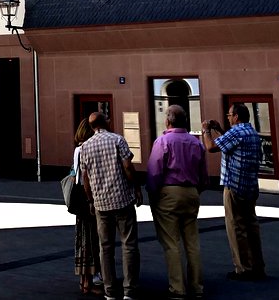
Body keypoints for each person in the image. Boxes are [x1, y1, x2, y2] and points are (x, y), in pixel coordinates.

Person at [147, 105, 207, 300]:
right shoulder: (196, 143)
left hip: (169, 193)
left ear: (167, 121)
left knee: (171, 242)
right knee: (192, 242)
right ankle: (197, 286)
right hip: (191, 192)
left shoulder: (162, 141)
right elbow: (204, 176)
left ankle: (177, 288)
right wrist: (196, 190)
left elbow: (155, 172)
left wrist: (153, 194)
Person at [79, 112, 141, 300]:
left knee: (105, 247)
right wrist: (136, 188)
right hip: (122, 199)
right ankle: (130, 290)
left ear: (92, 127)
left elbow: (85, 178)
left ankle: (110, 291)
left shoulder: (85, 147)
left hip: (101, 203)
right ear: (105, 122)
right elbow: (128, 167)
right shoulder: (118, 140)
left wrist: (91, 200)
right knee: (129, 245)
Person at [202, 103, 266, 281]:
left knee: (236, 226)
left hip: (234, 185)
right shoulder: (251, 132)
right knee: (251, 226)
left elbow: (211, 147)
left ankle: (243, 268)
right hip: (250, 185)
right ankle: (257, 266)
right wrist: (220, 130)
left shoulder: (236, 132)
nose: (228, 117)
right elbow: (230, 144)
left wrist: (206, 130)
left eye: (229, 115)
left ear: (236, 116)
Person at [72, 117, 103, 295]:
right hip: (87, 197)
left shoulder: (77, 149)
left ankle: (84, 280)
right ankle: (90, 280)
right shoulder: (87, 148)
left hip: (79, 199)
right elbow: (86, 176)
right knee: (91, 239)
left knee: (82, 238)